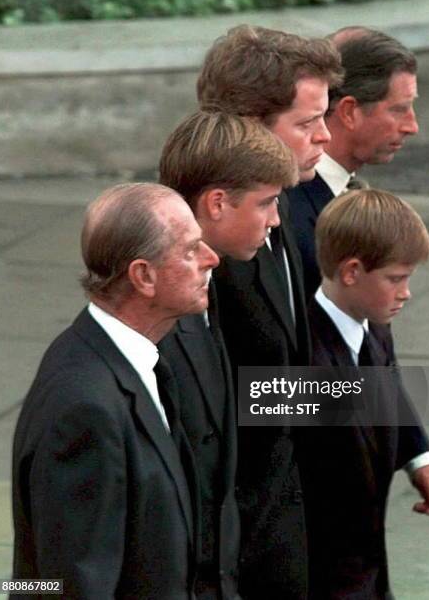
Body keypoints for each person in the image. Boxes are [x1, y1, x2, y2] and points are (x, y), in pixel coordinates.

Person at [11, 183, 219, 599]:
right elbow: (71, 586)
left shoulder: (138, 361)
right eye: (191, 250)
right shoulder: (85, 409)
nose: (212, 259)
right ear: (143, 276)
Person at [197, 25, 343, 599]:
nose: (324, 138)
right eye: (307, 124)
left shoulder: (285, 211)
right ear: (251, 129)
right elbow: (238, 398)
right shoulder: (210, 259)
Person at [158, 110, 298, 600]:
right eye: (307, 122)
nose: (278, 218)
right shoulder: (180, 304)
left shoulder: (231, 262)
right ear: (217, 202)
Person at [303, 187, 429, 599]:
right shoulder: (304, 358)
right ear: (351, 271)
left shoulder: (375, 329)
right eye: (396, 278)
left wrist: (417, 455)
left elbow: (384, 390)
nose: (406, 292)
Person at [287, 27, 421, 299]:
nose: (412, 126)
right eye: (398, 109)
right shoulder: (289, 213)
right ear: (349, 112)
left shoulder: (335, 193)